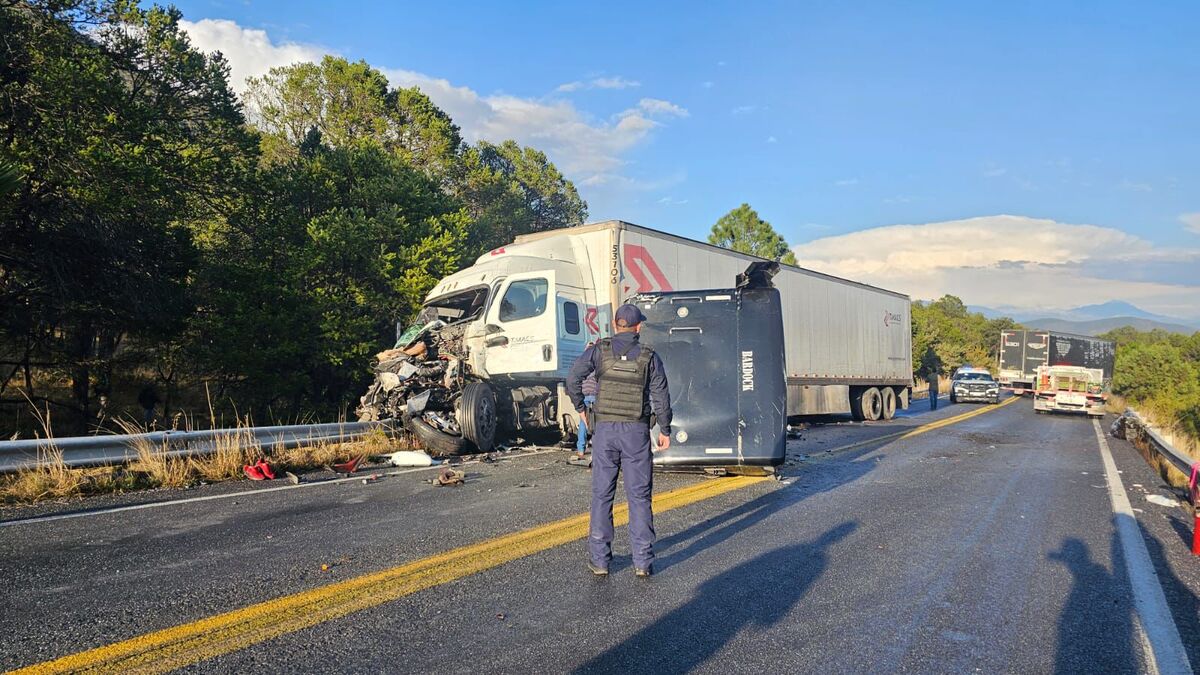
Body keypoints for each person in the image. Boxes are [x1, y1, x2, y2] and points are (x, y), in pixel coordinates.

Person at [566, 304, 672, 578]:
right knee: (639, 497)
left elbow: (573, 377)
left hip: (605, 432)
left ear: (615, 325)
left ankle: (600, 562)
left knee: (602, 495)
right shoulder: (650, 357)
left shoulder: (599, 350)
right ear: (638, 327)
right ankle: (643, 563)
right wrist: (665, 428)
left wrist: (581, 409)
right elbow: (661, 395)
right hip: (636, 432)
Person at [576, 372, 597, 457]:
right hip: (595, 397)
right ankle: (595, 449)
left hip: (584, 397)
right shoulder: (597, 369)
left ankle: (581, 450)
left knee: (583, 422)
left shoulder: (584, 371)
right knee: (596, 422)